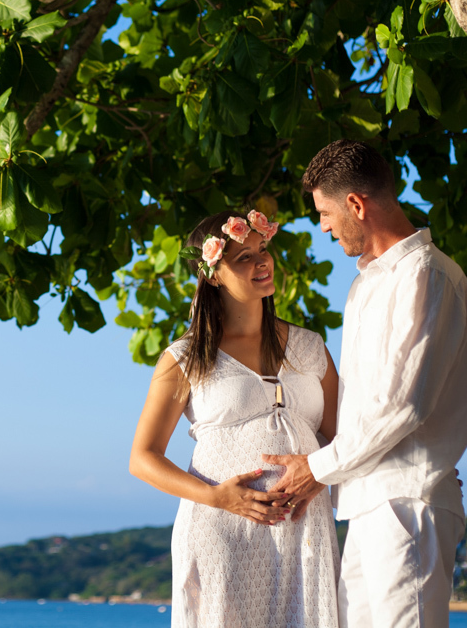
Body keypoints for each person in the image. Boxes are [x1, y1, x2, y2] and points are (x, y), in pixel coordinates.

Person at [263, 140, 467, 628]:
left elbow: (404, 405)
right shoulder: (366, 285)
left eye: (325, 212)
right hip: (366, 502)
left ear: (356, 204)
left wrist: (317, 468)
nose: (323, 226)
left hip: (407, 502)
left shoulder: (425, 276)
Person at [129, 209, 341, 627]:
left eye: (263, 250)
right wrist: (216, 497)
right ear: (212, 275)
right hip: (222, 533)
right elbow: (143, 457)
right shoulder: (187, 358)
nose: (261, 261)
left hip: (305, 534)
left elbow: (342, 439)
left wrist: (321, 472)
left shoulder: (310, 346)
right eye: (243, 257)